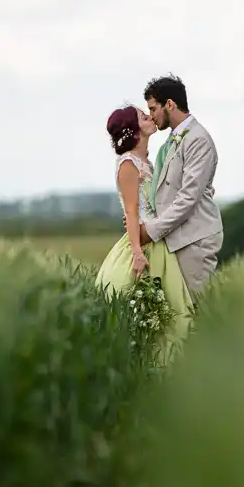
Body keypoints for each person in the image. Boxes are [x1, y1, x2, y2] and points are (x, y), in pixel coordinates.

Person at [95, 104, 195, 360]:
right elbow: (131, 211)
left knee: (175, 314)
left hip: (160, 240)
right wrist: (137, 252)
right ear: (133, 129)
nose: (150, 117)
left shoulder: (148, 163)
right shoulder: (128, 164)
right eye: (143, 116)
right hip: (144, 243)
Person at [131, 75, 224, 297]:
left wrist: (149, 231)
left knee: (197, 313)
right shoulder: (174, 139)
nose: (151, 116)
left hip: (194, 241)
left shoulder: (198, 140)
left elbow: (188, 198)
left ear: (170, 104)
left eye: (153, 109)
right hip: (176, 238)